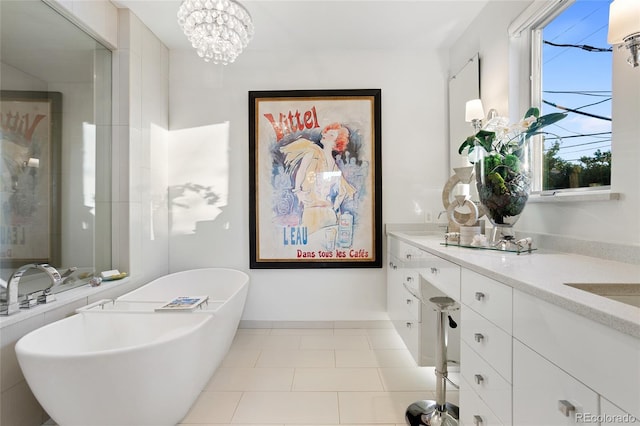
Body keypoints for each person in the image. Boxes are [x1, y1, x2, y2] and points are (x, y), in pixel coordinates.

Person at [280, 123, 356, 235]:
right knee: (311, 241)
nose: (324, 134)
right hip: (311, 209)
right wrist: (298, 191)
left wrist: (335, 206)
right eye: (326, 132)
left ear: (336, 143)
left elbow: (343, 190)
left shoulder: (335, 167)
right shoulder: (313, 151)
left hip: (328, 212)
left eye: (331, 135)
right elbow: (301, 171)